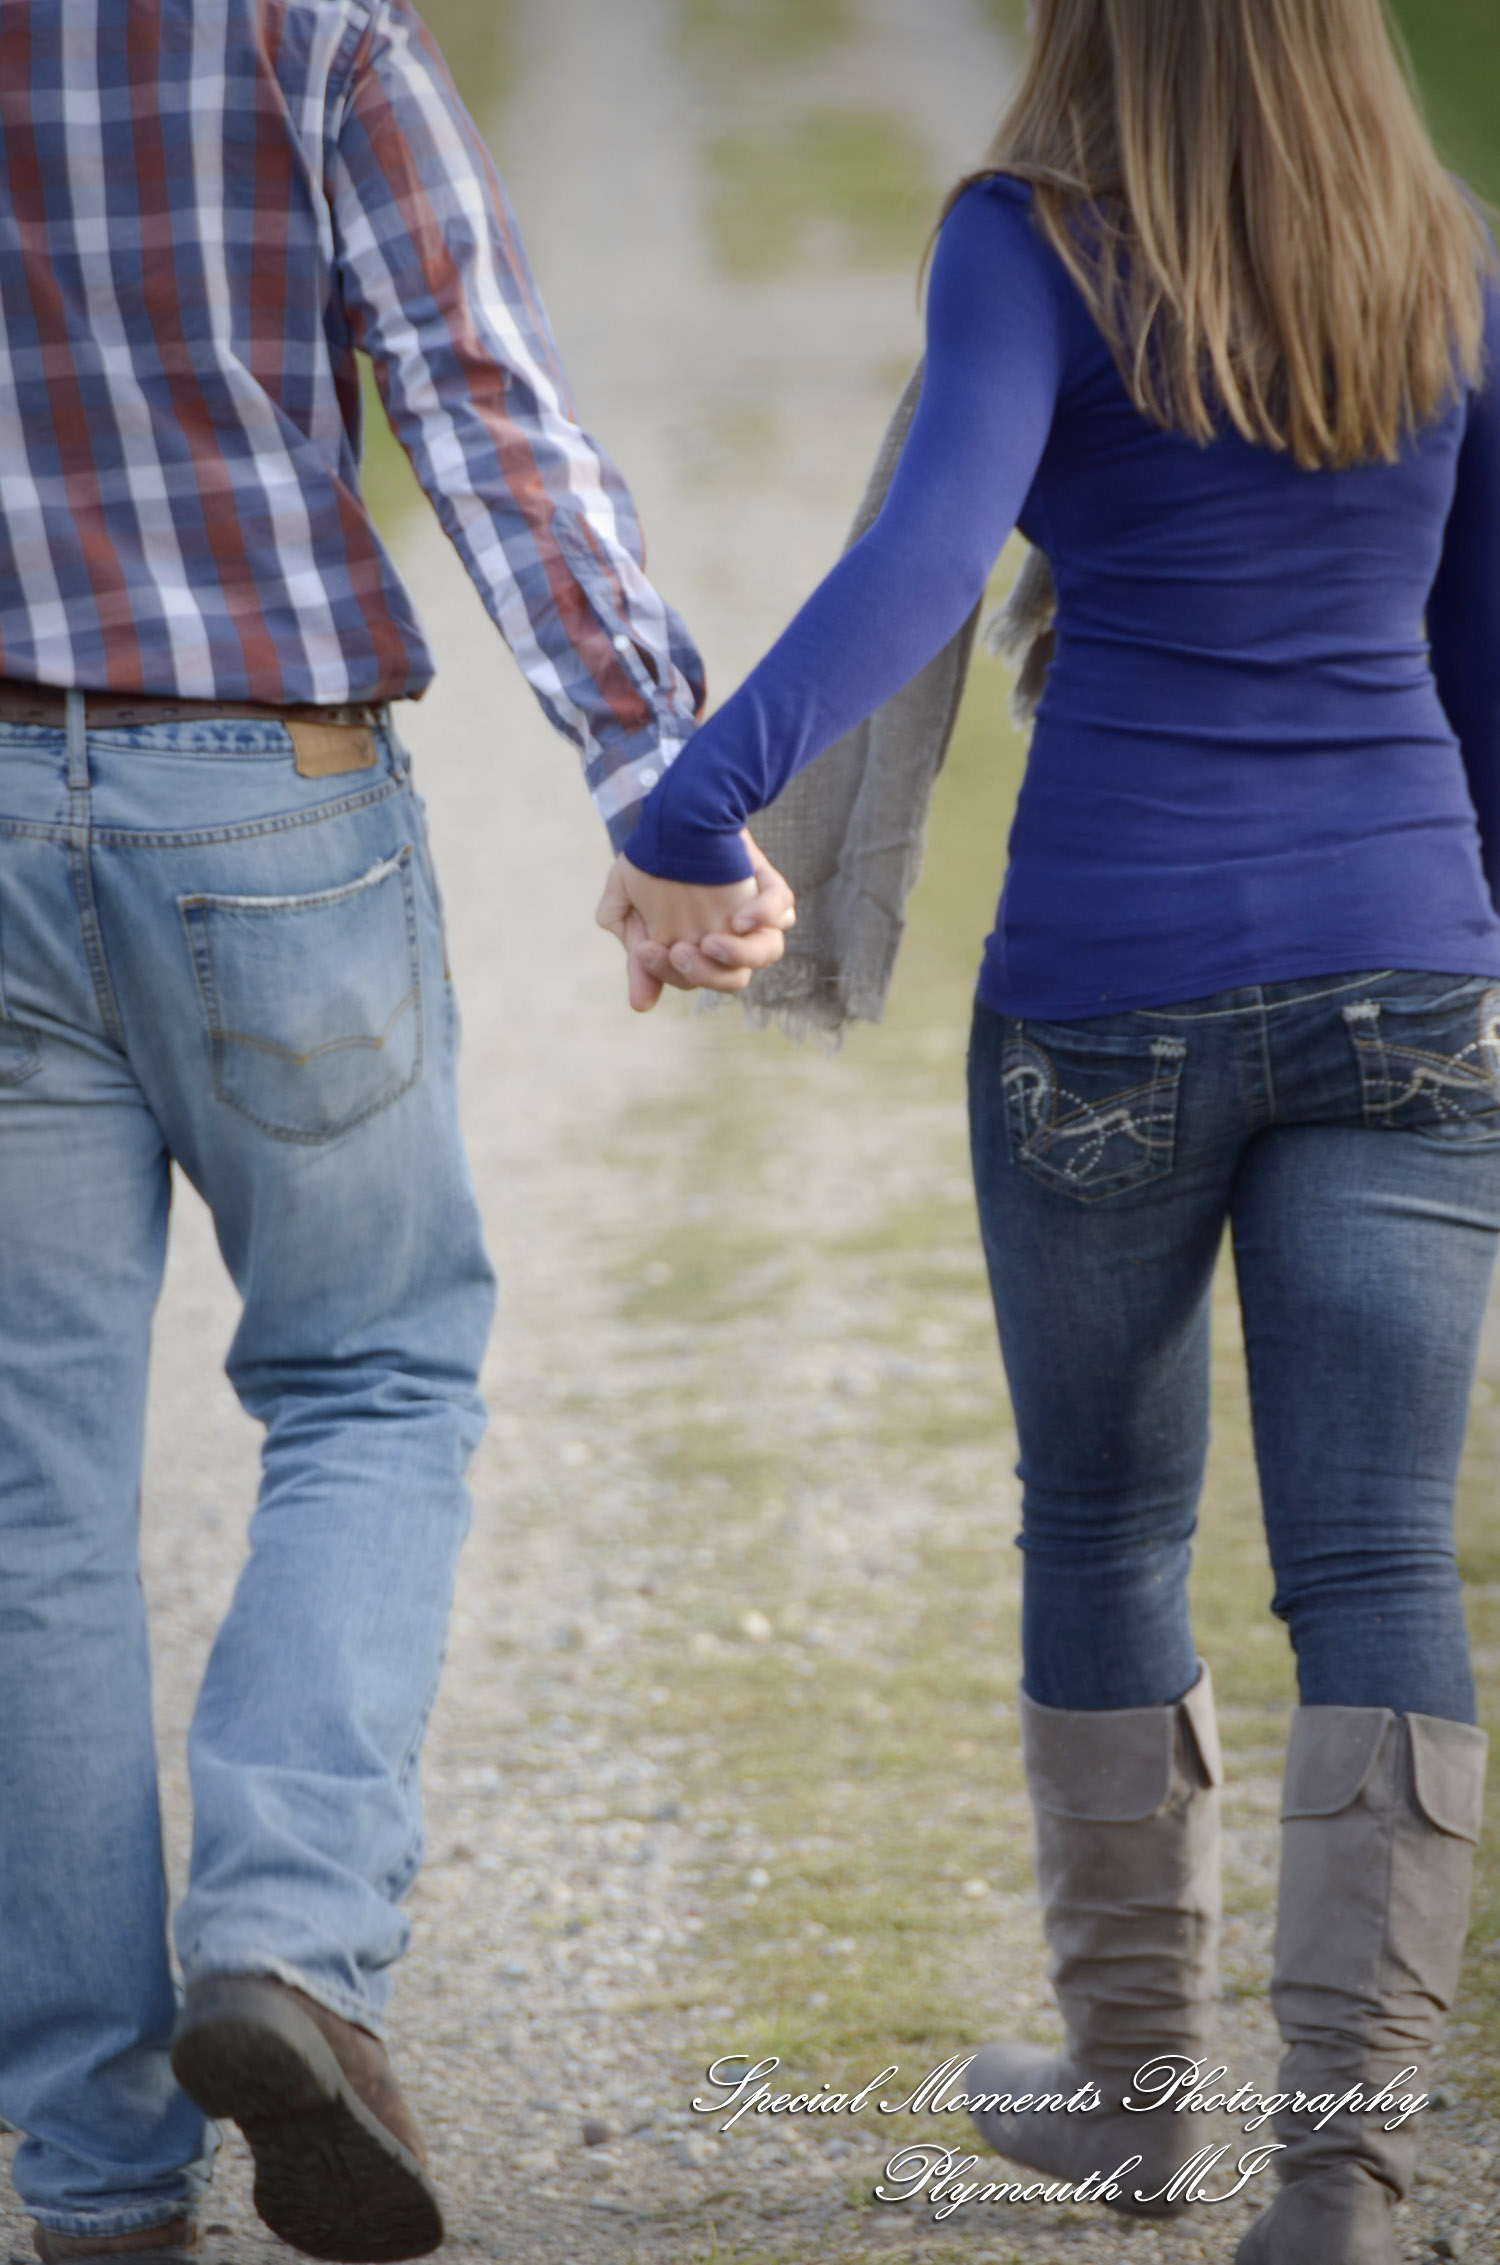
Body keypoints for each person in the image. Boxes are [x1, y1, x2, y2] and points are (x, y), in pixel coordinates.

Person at [603, 2, 1498, 2258]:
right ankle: (1341, 2182)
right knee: (1381, 1557)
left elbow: (930, 554)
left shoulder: (1031, 239)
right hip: (1409, 975)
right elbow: (1485, 661)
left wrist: (697, 801)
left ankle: (1133, 2102)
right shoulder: (1448, 247)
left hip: (1114, 987)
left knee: (1103, 1515)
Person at [0, 5, 792, 2263]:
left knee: (30, 1493)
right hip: (271, 791)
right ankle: (286, 1940)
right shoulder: (309, 25)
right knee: (370, 1374)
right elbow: (479, 399)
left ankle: (96, 2182)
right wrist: (659, 778)